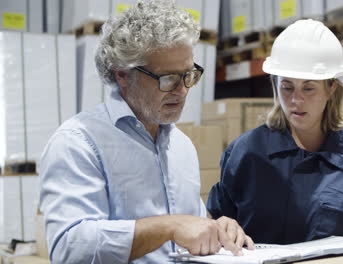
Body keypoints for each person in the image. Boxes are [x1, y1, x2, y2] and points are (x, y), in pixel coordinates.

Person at [39, 1, 253, 263]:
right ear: (122, 75)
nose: (183, 90)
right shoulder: (78, 143)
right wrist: (167, 227)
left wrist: (217, 230)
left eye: (188, 75)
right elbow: (70, 249)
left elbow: (188, 226)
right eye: (168, 79)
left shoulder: (181, 146)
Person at [207, 19, 343, 244]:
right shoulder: (246, 152)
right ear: (275, 85)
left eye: (309, 88)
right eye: (287, 87)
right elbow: (221, 223)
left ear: (331, 88)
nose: (296, 100)